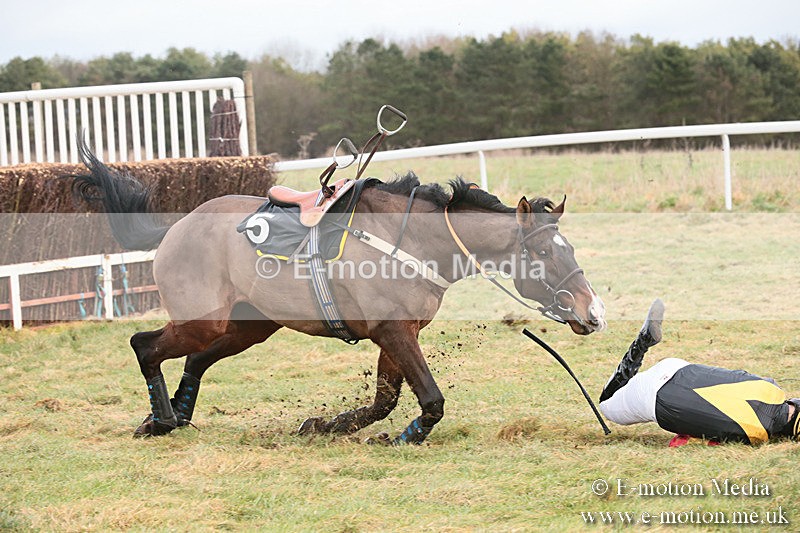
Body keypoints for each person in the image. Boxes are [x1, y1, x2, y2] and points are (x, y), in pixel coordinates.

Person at [599, 299, 800, 445]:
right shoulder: (757, 436)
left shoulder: (770, 386)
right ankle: (640, 346)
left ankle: (642, 344)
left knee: (617, 395)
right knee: (606, 406)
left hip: (675, 367)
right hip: (652, 399)